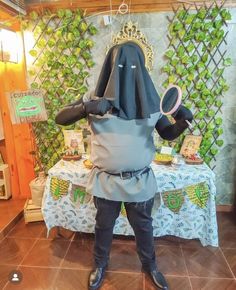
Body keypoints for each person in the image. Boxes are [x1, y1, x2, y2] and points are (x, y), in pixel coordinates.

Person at [55, 42, 193, 290]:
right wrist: (86, 107)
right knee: (104, 226)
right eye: (120, 65)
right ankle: (100, 264)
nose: (126, 70)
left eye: (131, 65)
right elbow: (60, 118)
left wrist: (183, 122)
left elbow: (168, 133)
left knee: (143, 227)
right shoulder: (94, 100)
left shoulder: (152, 102)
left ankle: (150, 266)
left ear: (140, 67)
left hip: (139, 180)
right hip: (106, 181)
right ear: (110, 66)